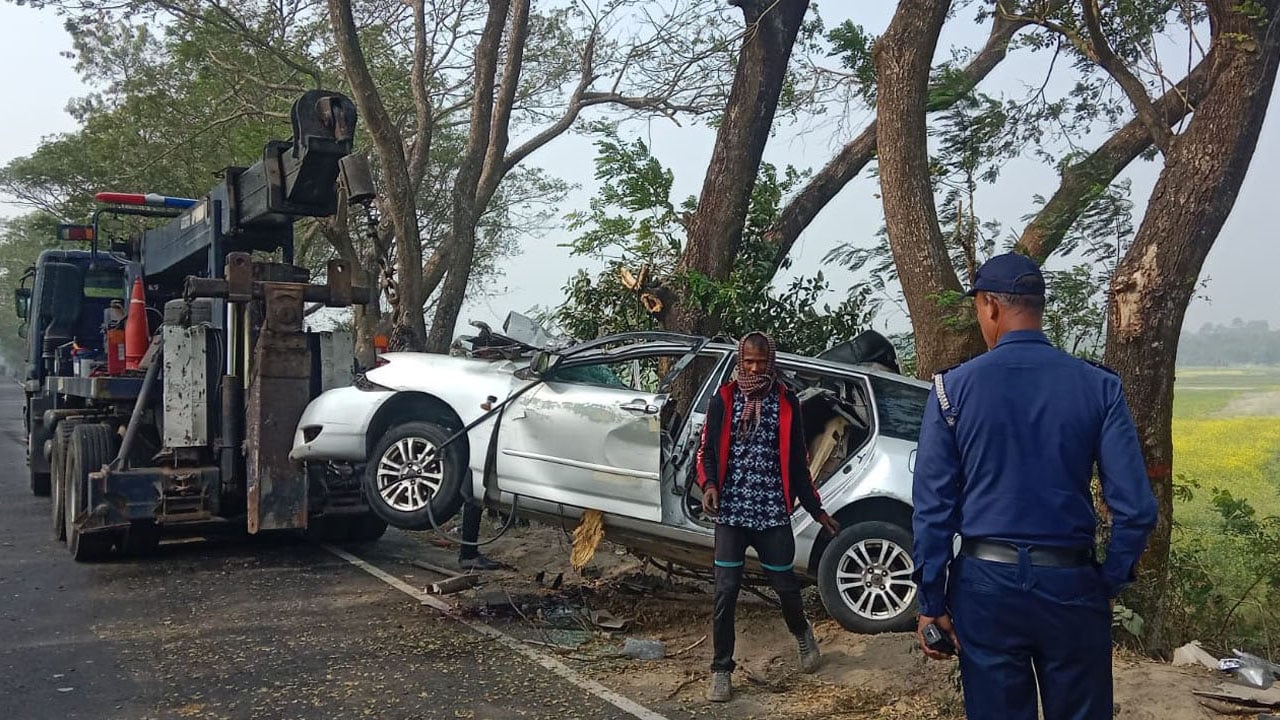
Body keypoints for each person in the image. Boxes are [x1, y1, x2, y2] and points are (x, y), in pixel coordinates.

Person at [911, 253, 1158, 720]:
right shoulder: (1097, 387)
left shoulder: (952, 391)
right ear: (1039, 307)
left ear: (990, 307)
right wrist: (1106, 580)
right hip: (1071, 582)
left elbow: (932, 508)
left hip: (986, 587)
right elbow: (1137, 509)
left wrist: (932, 600)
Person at [696, 331, 842, 703]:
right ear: (739, 361)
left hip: (772, 513)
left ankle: (801, 632)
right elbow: (706, 452)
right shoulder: (724, 400)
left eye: (762, 362)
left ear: (771, 362)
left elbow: (797, 465)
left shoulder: (787, 403)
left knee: (786, 590)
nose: (755, 368)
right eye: (749, 361)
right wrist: (709, 484)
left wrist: (817, 509)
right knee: (725, 591)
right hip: (731, 513)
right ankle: (720, 670)